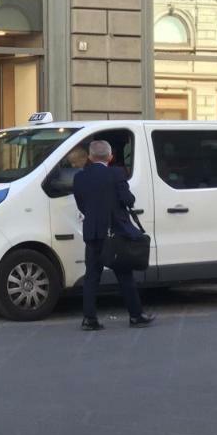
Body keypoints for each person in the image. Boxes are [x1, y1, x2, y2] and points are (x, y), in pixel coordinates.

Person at [73, 139, 154, 330]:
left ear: (91, 157)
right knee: (124, 275)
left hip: (93, 233)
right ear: (110, 157)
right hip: (116, 233)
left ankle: (89, 319)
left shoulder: (80, 178)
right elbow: (128, 200)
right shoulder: (116, 173)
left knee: (91, 276)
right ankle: (136, 316)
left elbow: (81, 205)